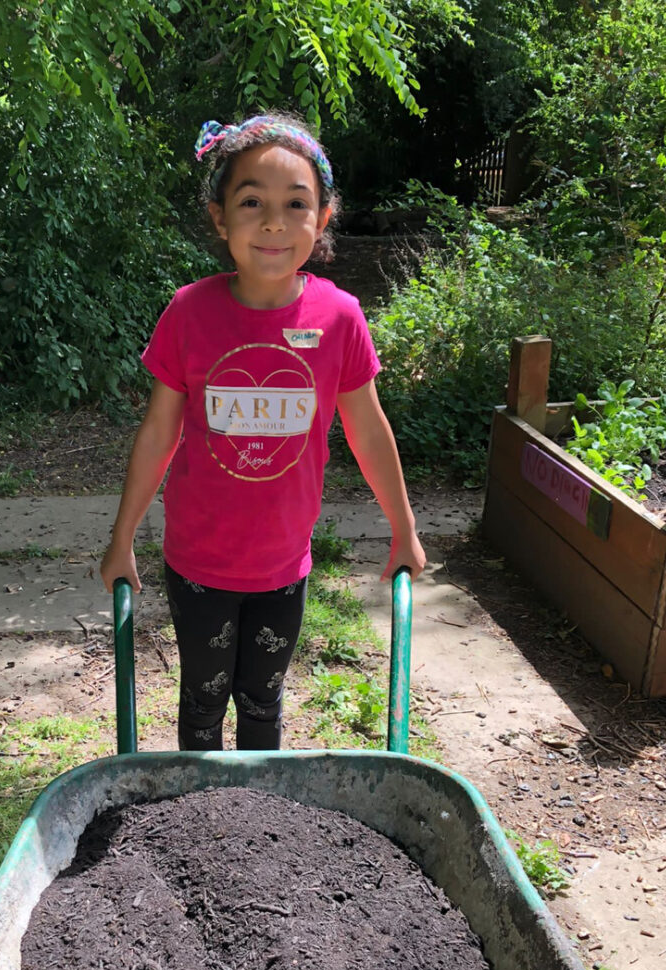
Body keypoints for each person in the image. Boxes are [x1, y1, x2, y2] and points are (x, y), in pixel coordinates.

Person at [100, 112, 426, 751]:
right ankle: (199, 822)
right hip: (198, 562)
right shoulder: (190, 312)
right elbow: (159, 431)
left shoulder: (338, 318)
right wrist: (122, 539)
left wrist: (405, 530)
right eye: (252, 202)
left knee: (262, 700)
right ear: (221, 216)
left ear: (323, 217)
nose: (274, 221)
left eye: (295, 204)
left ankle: (257, 828)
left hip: (283, 565)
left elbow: (367, 428)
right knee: (202, 696)